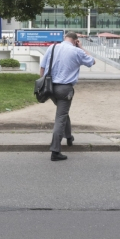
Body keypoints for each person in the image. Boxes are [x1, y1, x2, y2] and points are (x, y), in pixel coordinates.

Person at [40, 31, 95, 161]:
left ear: (65, 38)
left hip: (50, 87)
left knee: (63, 113)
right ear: (75, 40)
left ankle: (69, 137)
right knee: (61, 117)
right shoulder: (77, 51)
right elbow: (92, 61)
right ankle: (55, 151)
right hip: (65, 89)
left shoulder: (52, 47)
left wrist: (42, 85)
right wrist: (81, 47)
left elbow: (42, 68)